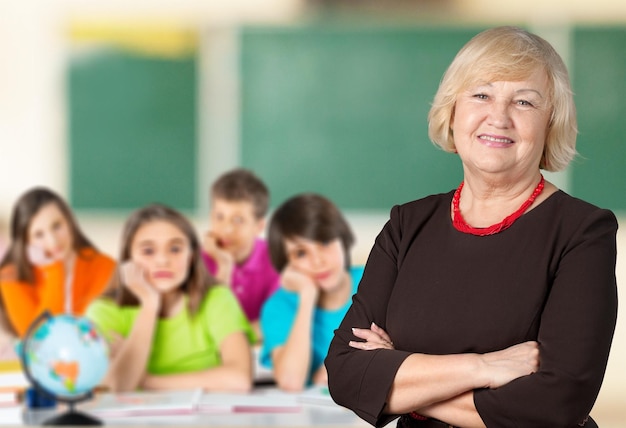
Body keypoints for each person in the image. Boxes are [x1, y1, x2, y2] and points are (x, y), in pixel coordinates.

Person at [325, 26, 618, 428]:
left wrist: (400, 384)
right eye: (481, 95)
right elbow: (344, 373)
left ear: (550, 123)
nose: (498, 117)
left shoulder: (584, 232)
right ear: (453, 111)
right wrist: (483, 368)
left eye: (524, 102)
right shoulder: (406, 225)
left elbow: (557, 403)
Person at [86, 204, 254, 392]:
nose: (163, 260)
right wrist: (149, 305)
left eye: (175, 249)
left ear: (191, 257)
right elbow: (115, 388)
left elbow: (239, 380)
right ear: (128, 260)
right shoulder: (105, 311)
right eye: (148, 251)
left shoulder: (217, 299)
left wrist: (148, 380)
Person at [260, 193, 364, 391]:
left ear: (342, 239)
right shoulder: (278, 306)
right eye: (301, 253)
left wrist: (337, 369)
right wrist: (307, 296)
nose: (318, 261)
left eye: (324, 242)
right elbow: (291, 381)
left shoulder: (377, 279)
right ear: (287, 264)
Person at [0, 187, 116, 338]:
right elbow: (38, 336)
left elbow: (91, 332)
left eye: (57, 226)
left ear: (69, 222)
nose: (53, 241)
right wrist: (54, 270)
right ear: (25, 242)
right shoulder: (11, 277)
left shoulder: (104, 266)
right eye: (38, 234)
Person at [202, 168, 280, 341]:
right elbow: (204, 326)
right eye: (219, 217)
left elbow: (275, 323)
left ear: (259, 226)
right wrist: (224, 267)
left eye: (238, 220)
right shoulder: (197, 261)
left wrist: (229, 334)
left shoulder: (276, 259)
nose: (226, 229)